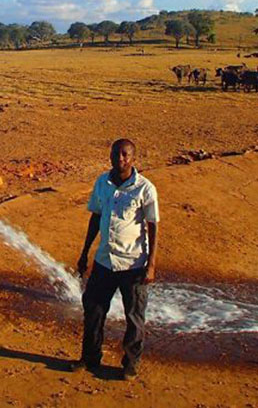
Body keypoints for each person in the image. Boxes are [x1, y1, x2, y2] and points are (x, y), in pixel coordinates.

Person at [71, 138, 159, 380]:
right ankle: (90, 358)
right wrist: (84, 253)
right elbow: (95, 217)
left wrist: (151, 265)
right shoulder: (102, 182)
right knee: (93, 309)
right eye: (115, 153)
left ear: (133, 158)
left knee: (134, 317)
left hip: (133, 264)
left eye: (124, 154)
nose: (119, 158)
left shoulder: (145, 188)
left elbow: (153, 226)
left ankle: (131, 363)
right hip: (104, 261)